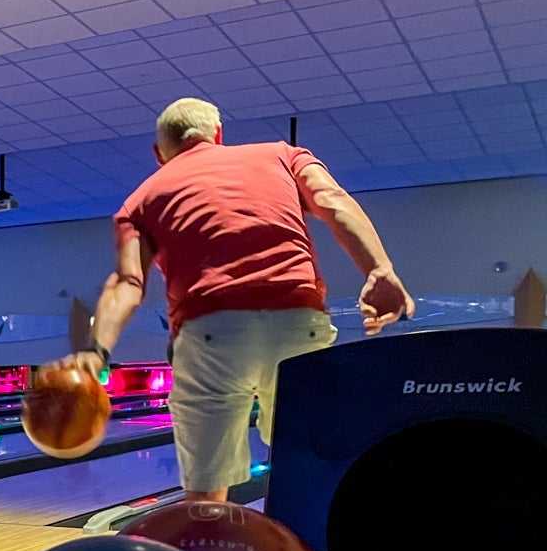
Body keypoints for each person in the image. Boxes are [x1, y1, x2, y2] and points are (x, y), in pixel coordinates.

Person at [51, 97, 415, 502]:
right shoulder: (281, 155)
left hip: (211, 336)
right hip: (298, 324)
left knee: (205, 497)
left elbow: (127, 282)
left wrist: (96, 350)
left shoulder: (139, 201)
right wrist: (379, 269)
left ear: (159, 154)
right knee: (314, 468)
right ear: (218, 135)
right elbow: (333, 201)